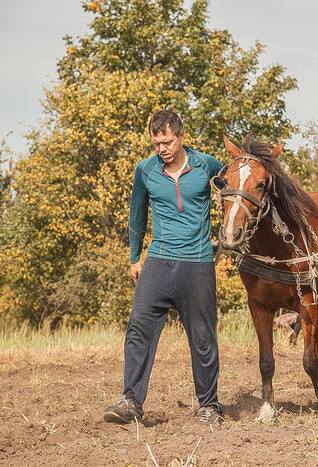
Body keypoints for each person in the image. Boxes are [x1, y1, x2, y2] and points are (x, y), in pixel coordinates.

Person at [103, 110, 225, 425]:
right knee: (138, 327)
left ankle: (208, 405)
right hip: (158, 259)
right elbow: (136, 216)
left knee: (203, 336)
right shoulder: (145, 170)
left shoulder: (207, 165)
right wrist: (134, 257)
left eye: (167, 142)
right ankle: (130, 402)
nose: (162, 149)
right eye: (156, 143)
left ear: (181, 136)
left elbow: (235, 191)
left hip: (197, 263)